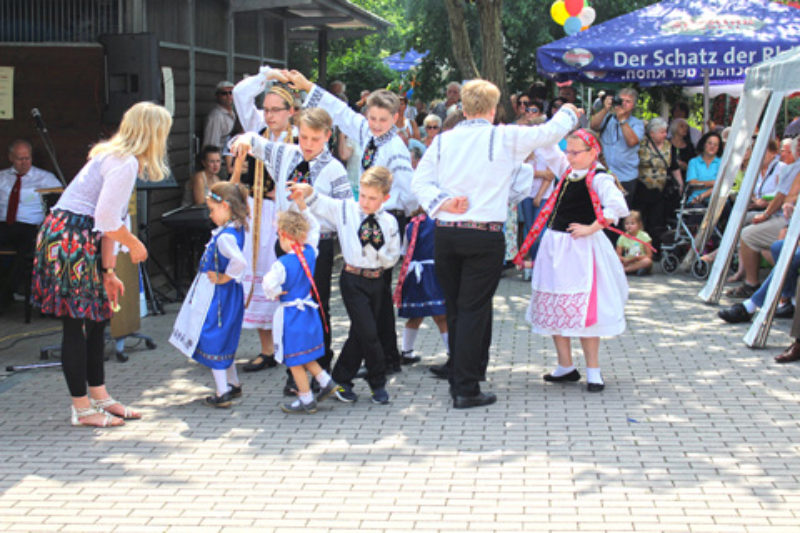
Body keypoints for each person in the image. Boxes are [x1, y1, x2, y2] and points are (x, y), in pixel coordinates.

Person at [412, 79, 579, 408]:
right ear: (492, 109)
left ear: (463, 108)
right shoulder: (503, 136)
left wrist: (442, 203)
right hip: (483, 233)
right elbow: (548, 134)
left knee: (459, 307)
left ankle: (465, 373)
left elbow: (419, 181)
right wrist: (570, 114)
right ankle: (465, 385)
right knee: (473, 307)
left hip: (447, 232)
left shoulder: (445, 141)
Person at [31, 102, 171, 427]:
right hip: (70, 238)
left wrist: (108, 272)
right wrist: (136, 244)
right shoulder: (123, 163)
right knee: (77, 323)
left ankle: (100, 396)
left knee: (96, 319)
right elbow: (107, 220)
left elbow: (108, 221)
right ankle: (81, 409)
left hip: (79, 235)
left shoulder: (116, 159)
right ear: (152, 134)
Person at [285, 68, 414, 374]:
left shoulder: (395, 149)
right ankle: (385, 358)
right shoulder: (368, 134)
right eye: (373, 118)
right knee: (377, 295)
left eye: (384, 120)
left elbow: (408, 193)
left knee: (375, 293)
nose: (377, 124)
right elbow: (340, 112)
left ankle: (378, 358)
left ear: (395, 119)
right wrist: (307, 86)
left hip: (383, 218)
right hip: (366, 215)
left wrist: (383, 212)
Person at [231, 105, 352, 396]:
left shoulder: (334, 169)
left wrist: (314, 198)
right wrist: (245, 139)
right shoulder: (286, 153)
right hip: (285, 243)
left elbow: (346, 211)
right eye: (304, 137)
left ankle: (320, 366)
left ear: (327, 137)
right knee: (288, 309)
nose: (308, 144)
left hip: (316, 246)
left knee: (313, 307)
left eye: (315, 139)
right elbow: (254, 141)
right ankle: (295, 370)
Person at [517, 129, 629, 393]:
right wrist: (543, 126)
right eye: (568, 151)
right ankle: (565, 365)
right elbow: (547, 148)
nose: (569, 156)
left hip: (582, 250)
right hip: (555, 245)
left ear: (593, 152)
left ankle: (593, 370)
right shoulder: (568, 169)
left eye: (576, 152)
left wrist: (592, 228)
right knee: (557, 301)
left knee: (586, 310)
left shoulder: (599, 177)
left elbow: (617, 206)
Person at [290, 166, 401, 405]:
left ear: (385, 198)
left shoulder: (389, 221)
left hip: (377, 279)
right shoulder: (346, 210)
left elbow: (393, 255)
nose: (366, 202)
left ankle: (340, 380)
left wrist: (377, 250)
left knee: (361, 333)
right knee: (369, 333)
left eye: (373, 198)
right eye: (362, 195)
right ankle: (378, 382)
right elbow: (321, 202)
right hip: (352, 279)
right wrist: (307, 191)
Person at [232, 65, 297, 373]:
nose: (269, 115)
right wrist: (266, 77)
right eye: (266, 109)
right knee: (259, 275)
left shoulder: (299, 136)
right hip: (257, 212)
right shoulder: (257, 128)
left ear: (290, 111)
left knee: (284, 277)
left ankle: (292, 346)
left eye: (276, 110)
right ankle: (267, 348)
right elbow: (239, 93)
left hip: (286, 215)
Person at [170, 182, 248, 408]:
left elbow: (239, 262)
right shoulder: (236, 227)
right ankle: (232, 383)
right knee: (223, 336)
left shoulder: (225, 237)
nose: (211, 215)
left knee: (212, 335)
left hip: (218, 295)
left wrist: (225, 277)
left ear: (225, 206)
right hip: (224, 294)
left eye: (213, 210)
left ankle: (222, 391)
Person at [262, 209, 338, 414]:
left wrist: (277, 291)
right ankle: (326, 381)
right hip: (308, 312)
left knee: (294, 359)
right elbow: (315, 228)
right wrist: (304, 209)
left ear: (284, 235)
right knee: (305, 354)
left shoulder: (282, 264)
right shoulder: (311, 252)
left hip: (292, 316)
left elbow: (267, 284)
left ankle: (306, 399)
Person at [0, 139, 61, 302]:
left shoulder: (45, 178)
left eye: (27, 158)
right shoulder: (2, 177)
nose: (24, 162)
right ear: (11, 157)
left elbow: (60, 202)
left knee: (25, 251)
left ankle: (6, 293)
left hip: (29, 226)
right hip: (4, 224)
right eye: (20, 158)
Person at [393, 208, 448, 366]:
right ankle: (453, 352)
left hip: (414, 273)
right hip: (433, 273)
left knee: (416, 315)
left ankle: (407, 351)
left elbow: (404, 252)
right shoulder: (439, 223)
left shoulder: (411, 225)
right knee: (441, 315)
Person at [635, 117, 682, 252]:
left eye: (665, 132)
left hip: (661, 188)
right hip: (642, 187)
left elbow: (674, 166)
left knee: (657, 220)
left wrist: (680, 183)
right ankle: (639, 248)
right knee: (641, 218)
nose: (665, 135)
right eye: (661, 132)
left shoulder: (669, 146)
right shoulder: (640, 145)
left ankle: (655, 248)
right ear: (652, 133)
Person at [589, 88, 644, 203]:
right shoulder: (608, 118)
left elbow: (632, 142)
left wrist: (622, 120)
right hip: (605, 173)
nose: (623, 103)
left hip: (626, 176)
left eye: (628, 101)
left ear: (633, 105)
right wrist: (606, 109)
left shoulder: (636, 123)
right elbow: (593, 126)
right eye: (621, 100)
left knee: (622, 211)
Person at [203, 81, 236, 170]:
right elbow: (211, 144)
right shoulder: (216, 116)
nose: (229, 96)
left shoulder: (232, 113)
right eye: (224, 94)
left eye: (231, 93)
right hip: (220, 166)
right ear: (217, 96)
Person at [686, 131, 723, 205]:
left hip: (716, 201)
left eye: (716, 145)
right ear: (704, 144)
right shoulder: (693, 162)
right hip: (695, 201)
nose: (712, 146)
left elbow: (722, 185)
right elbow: (692, 183)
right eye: (710, 143)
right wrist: (713, 183)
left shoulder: (722, 163)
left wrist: (702, 196)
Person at [616, 210, 653, 275]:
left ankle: (625, 270)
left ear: (639, 224)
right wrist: (625, 259)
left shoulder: (644, 236)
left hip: (639, 261)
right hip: (627, 261)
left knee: (647, 261)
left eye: (632, 223)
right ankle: (631, 270)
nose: (629, 226)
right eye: (627, 224)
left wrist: (636, 258)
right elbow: (617, 255)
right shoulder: (622, 237)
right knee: (614, 262)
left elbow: (649, 255)